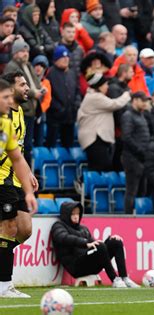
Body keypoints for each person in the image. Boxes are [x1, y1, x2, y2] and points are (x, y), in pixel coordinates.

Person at [0, 78, 38, 298]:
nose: (8, 101)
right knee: (8, 228)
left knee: (23, 229)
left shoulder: (8, 122)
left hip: (9, 181)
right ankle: (5, 286)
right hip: (3, 181)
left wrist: (28, 189)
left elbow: (17, 156)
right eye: (4, 97)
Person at [51, 202, 139, 288]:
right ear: (66, 214)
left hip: (89, 263)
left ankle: (124, 278)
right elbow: (63, 237)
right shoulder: (58, 226)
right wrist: (85, 243)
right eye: (73, 214)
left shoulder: (83, 229)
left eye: (77, 213)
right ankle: (115, 279)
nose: (76, 216)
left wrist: (109, 240)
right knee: (100, 246)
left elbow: (95, 245)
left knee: (116, 242)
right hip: (77, 267)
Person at [77, 73, 131, 172]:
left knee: (102, 166)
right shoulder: (95, 97)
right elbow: (115, 104)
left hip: (98, 138)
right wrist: (127, 95)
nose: (107, 87)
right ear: (99, 86)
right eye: (105, 84)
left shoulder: (94, 95)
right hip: (94, 138)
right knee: (100, 167)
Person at [4, 40, 42, 164]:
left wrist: (40, 90)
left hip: (29, 111)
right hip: (24, 109)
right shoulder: (12, 66)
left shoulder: (28, 65)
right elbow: (9, 86)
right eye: (22, 51)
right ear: (15, 53)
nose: (25, 54)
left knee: (25, 145)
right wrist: (34, 93)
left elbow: (36, 83)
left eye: (27, 51)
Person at [121, 91, 151, 214]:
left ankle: (139, 215)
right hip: (132, 158)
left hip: (141, 158)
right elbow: (126, 137)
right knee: (132, 190)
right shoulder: (128, 115)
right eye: (142, 100)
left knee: (141, 190)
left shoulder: (141, 115)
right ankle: (129, 217)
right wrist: (140, 151)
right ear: (135, 100)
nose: (145, 103)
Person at [45, 45, 81, 148]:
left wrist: (76, 105)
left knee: (68, 146)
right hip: (55, 117)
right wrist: (59, 108)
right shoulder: (50, 73)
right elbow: (48, 94)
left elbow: (77, 90)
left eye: (67, 57)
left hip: (70, 117)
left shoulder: (72, 73)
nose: (66, 59)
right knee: (51, 145)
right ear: (56, 59)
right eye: (63, 57)